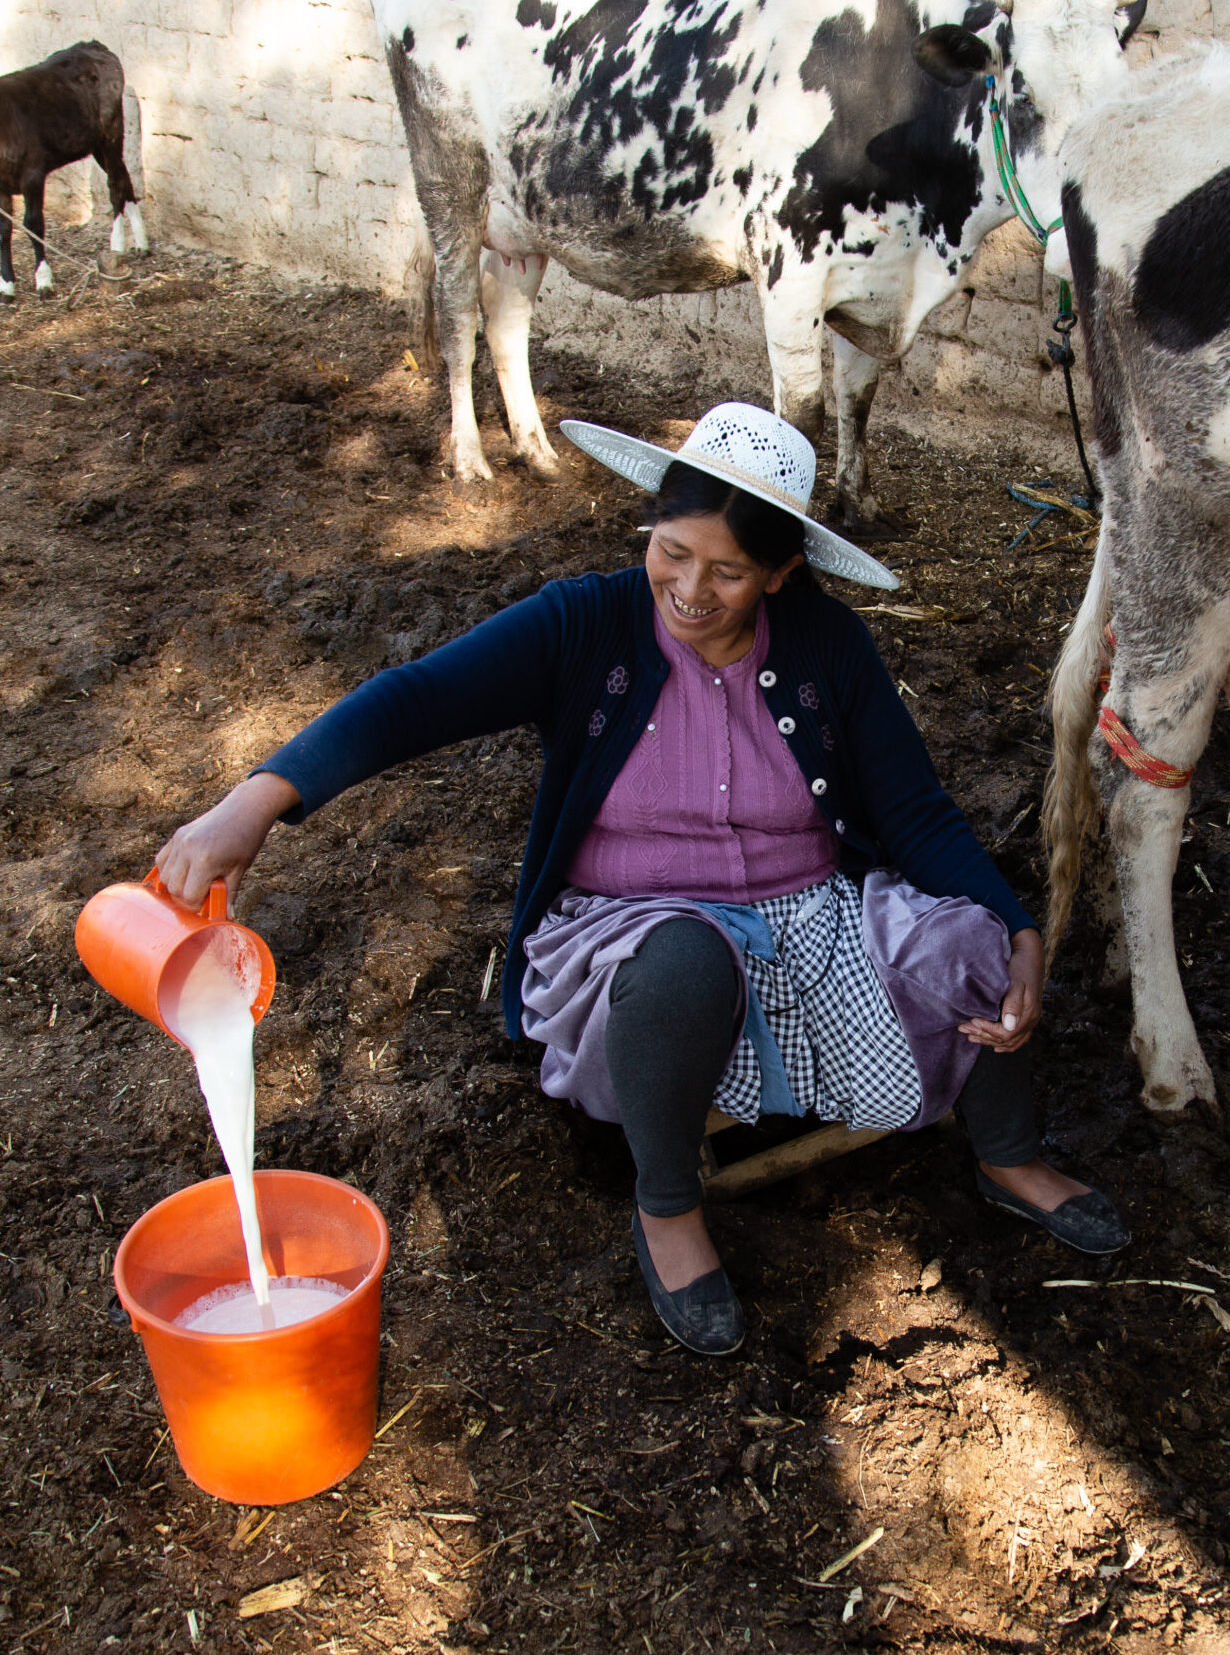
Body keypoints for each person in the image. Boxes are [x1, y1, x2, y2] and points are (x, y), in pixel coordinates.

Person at [157, 402, 1128, 1357]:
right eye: (672, 551)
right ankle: (667, 1204)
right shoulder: (584, 626)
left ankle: (1009, 1154)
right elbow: (415, 697)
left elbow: (913, 811)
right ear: (650, 528)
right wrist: (256, 801)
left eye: (730, 570)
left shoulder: (829, 646)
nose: (691, 589)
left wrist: (1014, 921)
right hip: (630, 923)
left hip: (812, 916)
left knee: (975, 939)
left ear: (783, 574)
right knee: (683, 965)